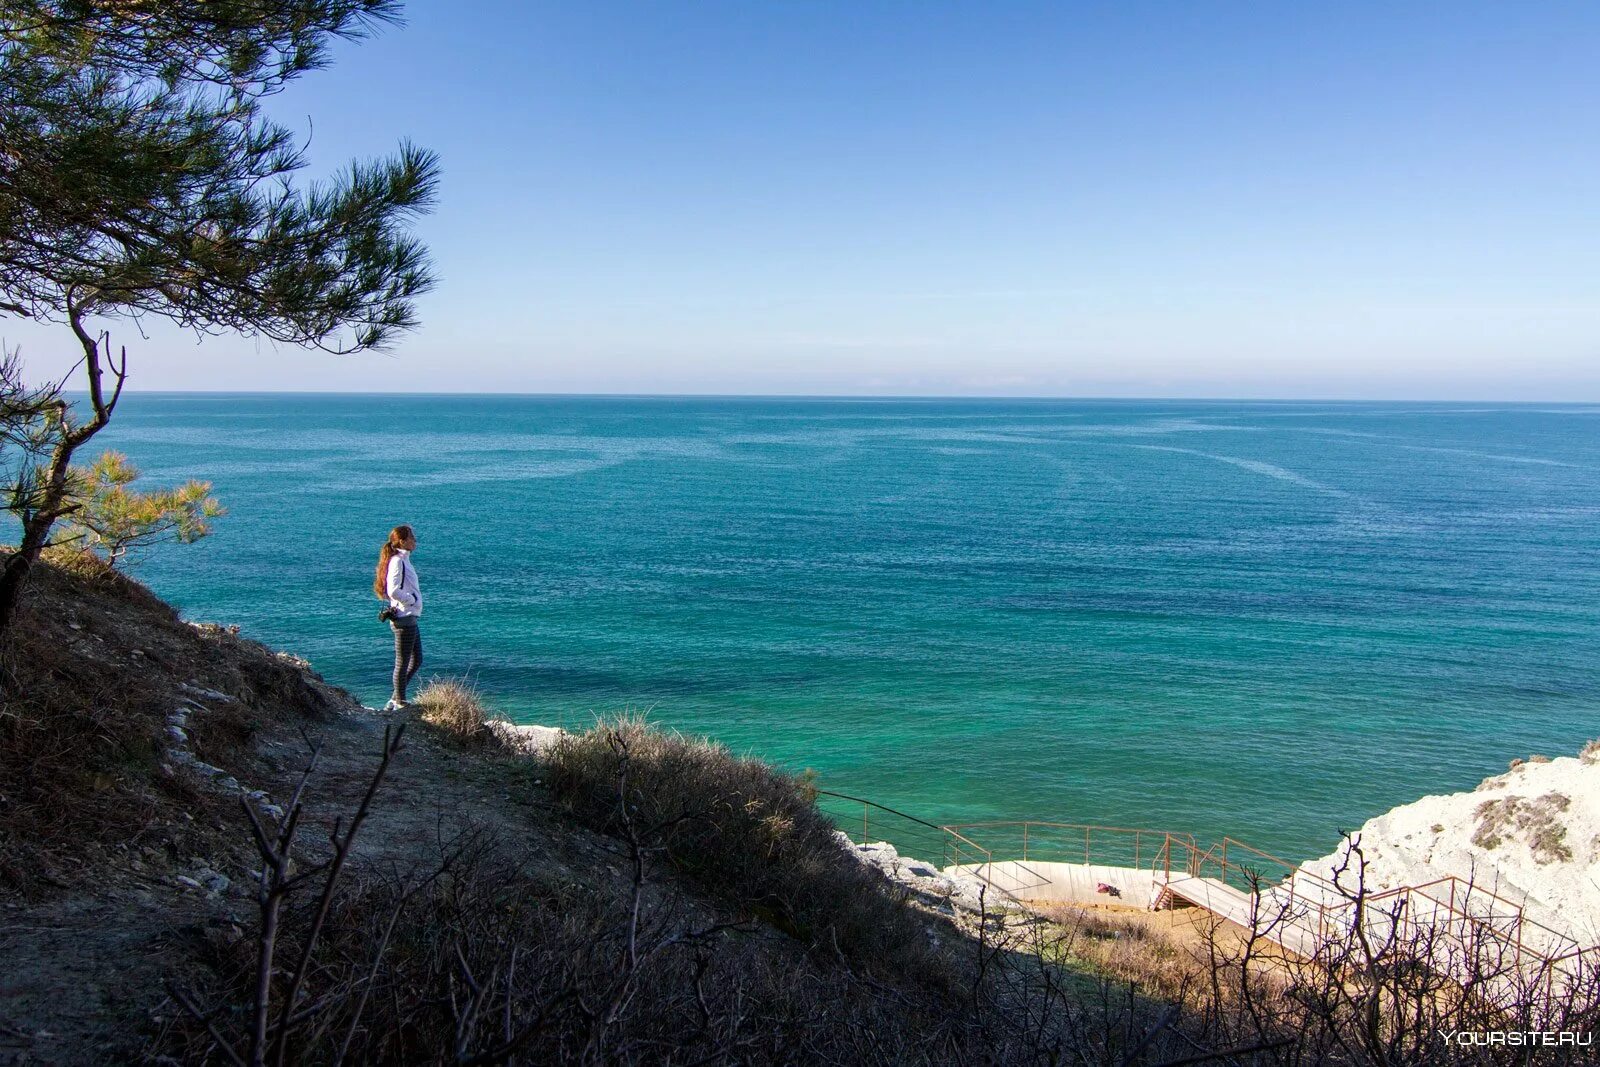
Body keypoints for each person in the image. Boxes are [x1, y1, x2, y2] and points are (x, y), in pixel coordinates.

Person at [374, 524, 423, 711]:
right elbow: (392, 590)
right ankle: (399, 701)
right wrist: (411, 599)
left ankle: (395, 698)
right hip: (404, 617)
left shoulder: (403, 559)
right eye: (412, 537)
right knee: (402, 662)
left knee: (416, 660)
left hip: (409, 616)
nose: (415, 540)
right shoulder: (398, 561)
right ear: (402, 541)